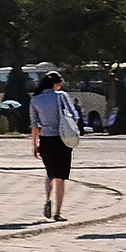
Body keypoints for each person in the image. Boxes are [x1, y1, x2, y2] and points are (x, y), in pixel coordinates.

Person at [27, 69, 80, 222]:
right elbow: (74, 116)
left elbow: (34, 125)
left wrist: (35, 144)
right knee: (61, 177)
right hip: (62, 139)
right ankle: (58, 212)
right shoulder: (61, 96)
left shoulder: (35, 100)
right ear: (56, 84)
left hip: (46, 139)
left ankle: (47, 199)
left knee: (50, 173)